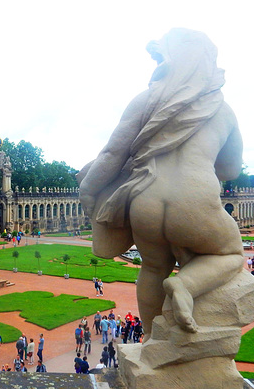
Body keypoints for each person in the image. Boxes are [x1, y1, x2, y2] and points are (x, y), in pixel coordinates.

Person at [78, 29, 245, 339]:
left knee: (153, 269)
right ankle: (186, 284)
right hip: (195, 197)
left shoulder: (146, 100)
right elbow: (231, 169)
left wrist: (87, 190)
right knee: (231, 253)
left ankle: (154, 343)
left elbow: (112, 154)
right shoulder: (223, 111)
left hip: (144, 198)